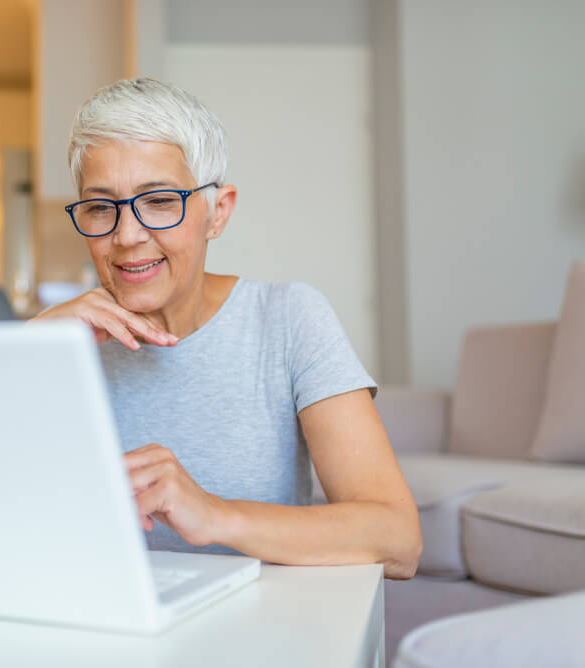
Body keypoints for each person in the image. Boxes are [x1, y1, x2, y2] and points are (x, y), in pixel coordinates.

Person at [31, 78, 421, 579]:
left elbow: (398, 541)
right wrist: (22, 354)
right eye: (101, 207)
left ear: (218, 212)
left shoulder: (288, 319)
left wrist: (213, 514)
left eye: (160, 201)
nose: (126, 236)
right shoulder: (53, 342)